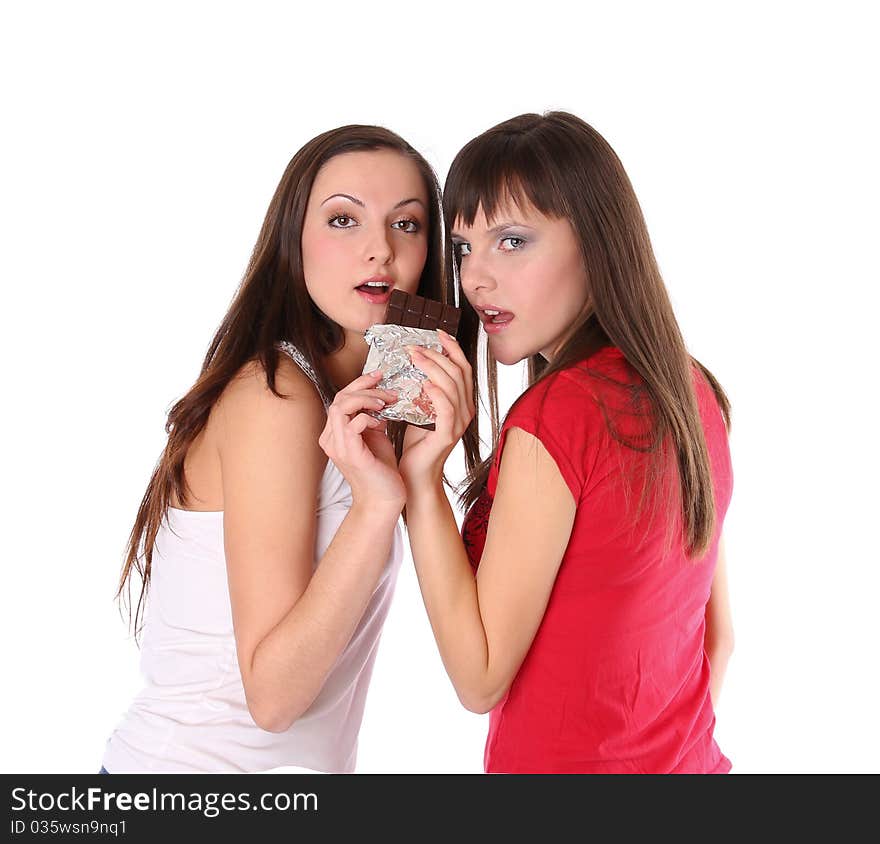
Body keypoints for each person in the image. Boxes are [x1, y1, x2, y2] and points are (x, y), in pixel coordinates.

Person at [101, 124, 446, 773]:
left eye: (407, 224)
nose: (379, 249)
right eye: (344, 220)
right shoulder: (276, 399)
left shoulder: (368, 400)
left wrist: (420, 474)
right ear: (295, 241)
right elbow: (274, 699)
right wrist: (377, 507)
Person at [397, 112, 735, 773]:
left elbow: (480, 678)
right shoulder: (694, 390)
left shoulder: (553, 421)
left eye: (513, 241)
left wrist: (419, 480)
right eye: (464, 248)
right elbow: (719, 641)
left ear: (597, 242)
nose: (476, 279)